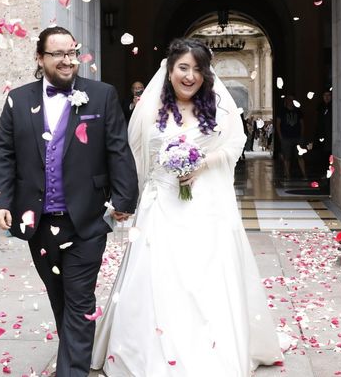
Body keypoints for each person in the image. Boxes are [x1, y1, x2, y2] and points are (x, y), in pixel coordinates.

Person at [90, 38, 283, 376]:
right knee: (155, 276)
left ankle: (206, 349)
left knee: (202, 277)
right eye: (183, 67)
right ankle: (147, 350)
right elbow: (133, 156)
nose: (190, 76)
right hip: (158, 205)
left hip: (204, 207)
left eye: (197, 69)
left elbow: (236, 143)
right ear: (170, 69)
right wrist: (124, 200)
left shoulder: (218, 108)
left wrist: (203, 162)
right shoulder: (149, 108)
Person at [0, 26, 139, 376]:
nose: (68, 60)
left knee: (80, 298)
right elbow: (4, 153)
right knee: (60, 296)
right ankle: (72, 356)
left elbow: (118, 149)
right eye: (58, 54)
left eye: (72, 52)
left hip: (86, 218)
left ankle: (71, 370)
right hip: (37, 220)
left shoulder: (101, 95)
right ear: (40, 59)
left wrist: (124, 198)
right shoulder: (19, 99)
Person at [276, 96, 306, 180]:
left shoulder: (298, 111)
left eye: (292, 100)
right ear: (286, 101)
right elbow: (278, 124)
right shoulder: (282, 111)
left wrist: (301, 135)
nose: (290, 101)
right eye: (289, 100)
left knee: (300, 157)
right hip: (286, 138)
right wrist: (281, 137)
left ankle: (304, 174)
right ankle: (288, 175)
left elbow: (302, 123)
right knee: (287, 157)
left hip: (297, 137)